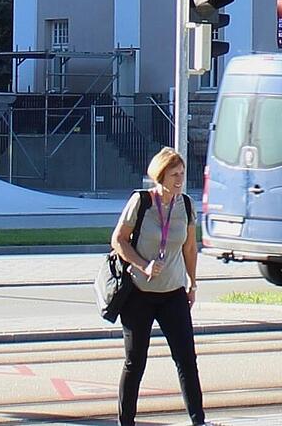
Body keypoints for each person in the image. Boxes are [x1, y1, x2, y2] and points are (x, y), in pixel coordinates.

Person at [110, 147, 206, 426]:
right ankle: (126, 421)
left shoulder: (186, 205)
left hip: (173, 293)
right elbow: (118, 240)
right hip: (138, 293)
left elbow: (190, 247)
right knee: (135, 362)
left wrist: (192, 283)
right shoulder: (141, 202)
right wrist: (143, 264)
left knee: (186, 358)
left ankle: (198, 420)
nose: (180, 180)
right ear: (160, 175)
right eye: (174, 174)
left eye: (182, 174)